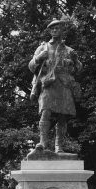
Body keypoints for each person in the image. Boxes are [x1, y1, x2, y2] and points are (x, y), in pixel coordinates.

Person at [29, 19, 82, 153]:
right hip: (48, 83)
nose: (54, 31)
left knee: (63, 117)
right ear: (49, 31)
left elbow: (79, 69)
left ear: (62, 30)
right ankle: (43, 143)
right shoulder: (42, 47)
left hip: (64, 84)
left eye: (57, 28)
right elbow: (31, 66)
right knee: (45, 111)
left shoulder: (69, 50)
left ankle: (59, 147)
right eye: (52, 29)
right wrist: (39, 57)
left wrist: (74, 61)